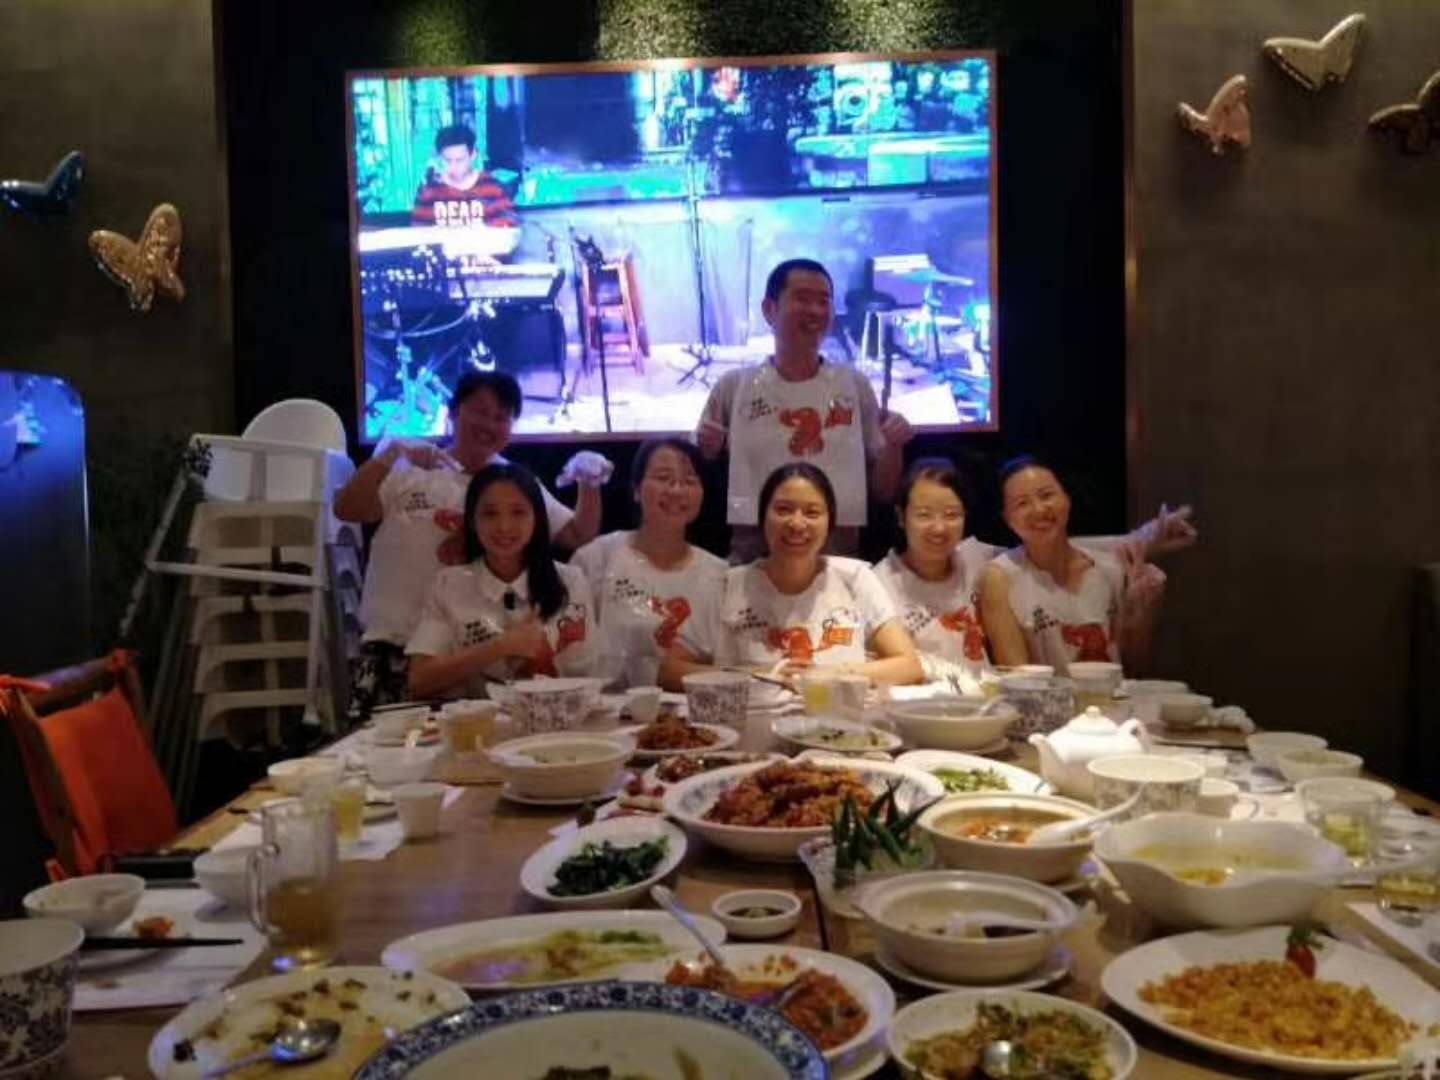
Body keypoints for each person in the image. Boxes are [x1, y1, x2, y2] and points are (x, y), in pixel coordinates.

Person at [336, 371, 603, 713]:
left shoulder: (510, 484)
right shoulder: (408, 467)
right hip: (394, 645)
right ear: (453, 412)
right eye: (479, 411)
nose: (488, 424)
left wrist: (589, 480)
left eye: (501, 417)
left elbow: (578, 534)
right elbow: (347, 509)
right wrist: (389, 455)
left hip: (467, 658)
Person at [875, 457, 1197, 686]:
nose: (939, 527)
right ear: (901, 517)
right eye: (924, 515)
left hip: (987, 711)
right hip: (921, 710)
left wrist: (1143, 538)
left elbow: (1052, 543)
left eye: (951, 514)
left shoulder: (973, 558)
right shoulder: (879, 582)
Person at [695, 258, 914, 562]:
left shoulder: (854, 386)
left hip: (837, 563)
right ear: (769, 309)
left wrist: (894, 446)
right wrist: (706, 451)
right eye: (802, 298)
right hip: (753, 563)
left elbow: (884, 491)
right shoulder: (732, 388)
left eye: (823, 301)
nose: (815, 310)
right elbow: (699, 485)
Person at [660, 463, 922, 697]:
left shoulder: (854, 579)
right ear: (762, 517)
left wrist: (831, 675)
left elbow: (908, 665)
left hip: (837, 724)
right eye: (783, 510)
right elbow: (670, 671)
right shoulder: (726, 587)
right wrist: (758, 675)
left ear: (830, 522)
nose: (797, 524)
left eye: (812, 512)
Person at [407, 463, 594, 699]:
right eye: (490, 513)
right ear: (472, 521)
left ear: (537, 518)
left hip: (558, 716)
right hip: (476, 719)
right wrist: (501, 646)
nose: (504, 527)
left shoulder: (570, 580)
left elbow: (591, 673)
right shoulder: (448, 584)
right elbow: (419, 680)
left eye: (518, 512)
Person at [980, 456, 1170, 672]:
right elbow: (1016, 677)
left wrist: (1140, 615)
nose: (1039, 509)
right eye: (1022, 503)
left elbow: (1134, 669)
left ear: (1067, 498)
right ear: (1008, 519)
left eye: (1046, 495)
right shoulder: (1000, 577)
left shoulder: (1111, 569)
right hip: (1042, 694)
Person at [570, 438, 727, 689]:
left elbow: (727, 664)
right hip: (609, 706)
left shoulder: (720, 574)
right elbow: (573, 655)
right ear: (636, 489)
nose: (676, 490)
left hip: (697, 706)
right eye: (663, 478)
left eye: (689, 481)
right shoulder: (596, 559)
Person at [411, 123, 519, 230]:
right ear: (439, 158)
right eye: (447, 160)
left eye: (460, 160)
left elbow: (508, 227)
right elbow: (419, 231)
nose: (453, 166)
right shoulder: (429, 190)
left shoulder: (492, 187)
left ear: (473, 155)